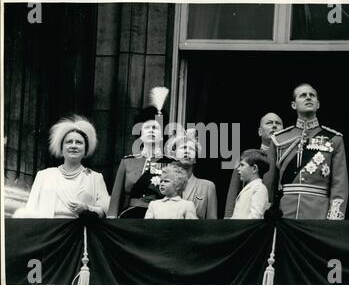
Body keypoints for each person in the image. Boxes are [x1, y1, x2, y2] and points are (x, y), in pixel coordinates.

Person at [265, 83, 348, 219]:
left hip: (318, 214)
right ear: (293, 105)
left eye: (312, 95)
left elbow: (340, 183)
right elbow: (270, 181)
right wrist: (268, 211)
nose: (308, 98)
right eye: (303, 95)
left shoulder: (334, 139)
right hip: (284, 213)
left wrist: (333, 218)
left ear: (318, 104)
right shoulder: (279, 139)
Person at [13, 115, 110, 218]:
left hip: (80, 231)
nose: (73, 146)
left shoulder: (95, 178)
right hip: (49, 231)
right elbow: (31, 211)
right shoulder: (44, 176)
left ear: (85, 149)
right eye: (69, 142)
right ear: (61, 148)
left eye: (79, 142)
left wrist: (86, 208)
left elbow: (104, 213)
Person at [107, 87, 175, 218]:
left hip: (160, 217)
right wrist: (112, 219)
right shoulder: (127, 162)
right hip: (131, 216)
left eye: (155, 128)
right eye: (147, 128)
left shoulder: (171, 163)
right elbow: (116, 197)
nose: (151, 131)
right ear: (140, 133)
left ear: (162, 134)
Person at [224, 113, 283, 218]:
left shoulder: (288, 158)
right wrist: (228, 218)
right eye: (269, 123)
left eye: (278, 123)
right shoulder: (246, 158)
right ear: (260, 132)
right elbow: (233, 192)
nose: (274, 126)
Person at [169, 129, 218, 219]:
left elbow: (212, 221)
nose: (187, 151)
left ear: (195, 159)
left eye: (191, 149)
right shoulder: (165, 184)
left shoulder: (207, 186)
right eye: (183, 147)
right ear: (175, 155)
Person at [230, 149, 270, 219]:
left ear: (254, 168)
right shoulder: (250, 187)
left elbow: (255, 217)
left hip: (246, 229)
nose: (238, 169)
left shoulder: (259, 188)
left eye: (242, 165)